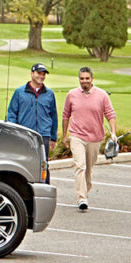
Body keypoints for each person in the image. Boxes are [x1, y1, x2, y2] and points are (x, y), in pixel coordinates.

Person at [61, 67, 117, 212]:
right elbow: (65, 115)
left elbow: (110, 114)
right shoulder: (71, 94)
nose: (84, 81)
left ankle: (85, 192)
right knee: (80, 166)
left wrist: (113, 133)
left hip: (95, 138)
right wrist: (65, 135)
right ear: (79, 79)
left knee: (88, 170)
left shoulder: (102, 95)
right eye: (82, 79)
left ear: (92, 79)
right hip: (77, 136)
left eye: (87, 78)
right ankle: (82, 199)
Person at [6, 63, 58, 156]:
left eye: (43, 74)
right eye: (39, 73)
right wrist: (15, 132)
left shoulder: (49, 93)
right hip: (25, 134)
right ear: (32, 73)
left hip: (44, 135)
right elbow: (12, 113)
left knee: (43, 164)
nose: (41, 76)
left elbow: (53, 115)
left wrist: (53, 137)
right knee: (25, 162)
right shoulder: (19, 92)